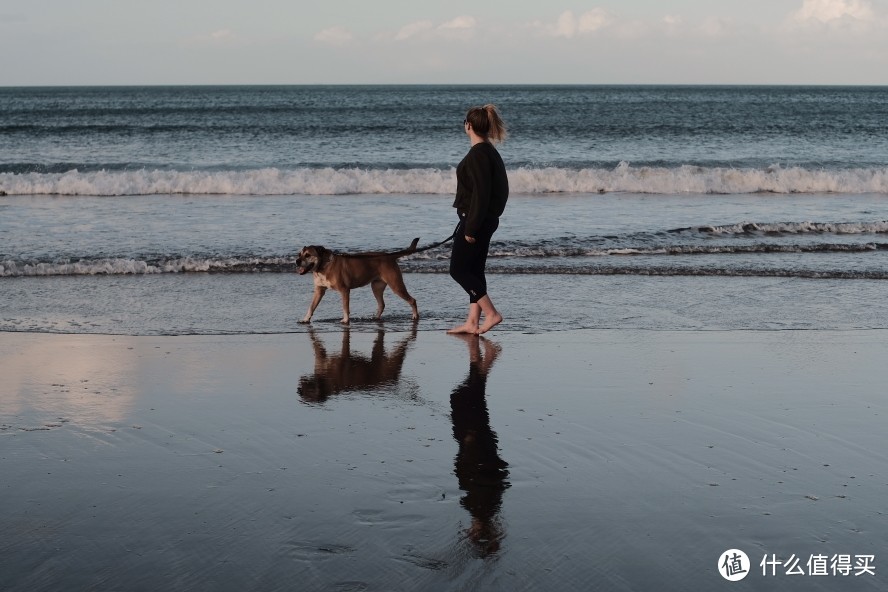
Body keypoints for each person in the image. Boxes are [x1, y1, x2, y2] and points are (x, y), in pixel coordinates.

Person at [447, 104, 509, 335]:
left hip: (476, 220)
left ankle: (491, 314)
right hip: (483, 219)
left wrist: (471, 226)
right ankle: (472, 321)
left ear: (468, 125)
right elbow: (498, 191)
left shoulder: (479, 154)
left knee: (458, 271)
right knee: (474, 271)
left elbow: (481, 194)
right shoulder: (489, 152)